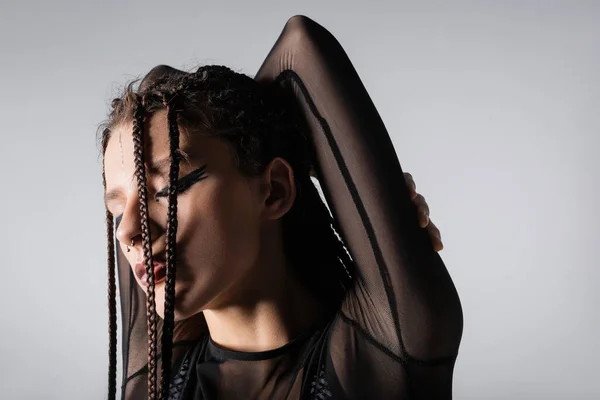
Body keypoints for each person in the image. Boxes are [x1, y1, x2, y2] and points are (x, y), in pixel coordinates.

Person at [99, 15, 462, 400]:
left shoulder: (383, 356)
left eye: (168, 189)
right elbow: (154, 91)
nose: (126, 232)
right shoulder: (158, 378)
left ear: (273, 190)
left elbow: (299, 49)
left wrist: (257, 136)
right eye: (118, 208)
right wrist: (263, 136)